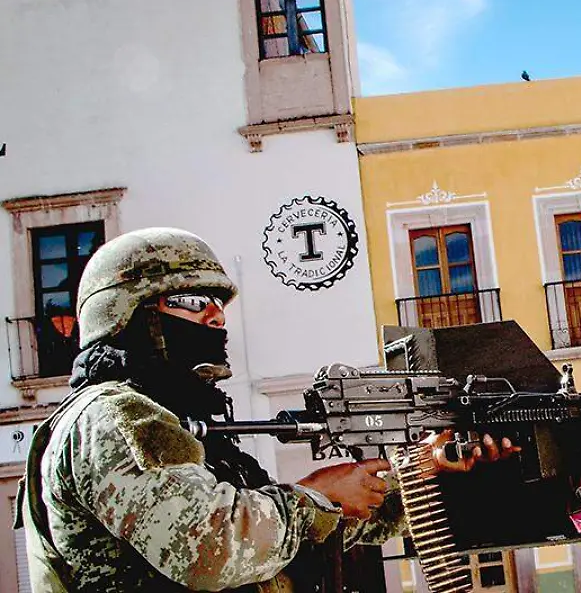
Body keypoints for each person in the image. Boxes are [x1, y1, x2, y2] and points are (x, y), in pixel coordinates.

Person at [16, 228, 515, 592]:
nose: (214, 316)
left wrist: (421, 474)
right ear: (126, 312)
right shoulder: (115, 417)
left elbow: (305, 531)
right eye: (192, 300)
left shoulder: (177, 422)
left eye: (218, 303)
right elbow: (211, 547)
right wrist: (320, 496)